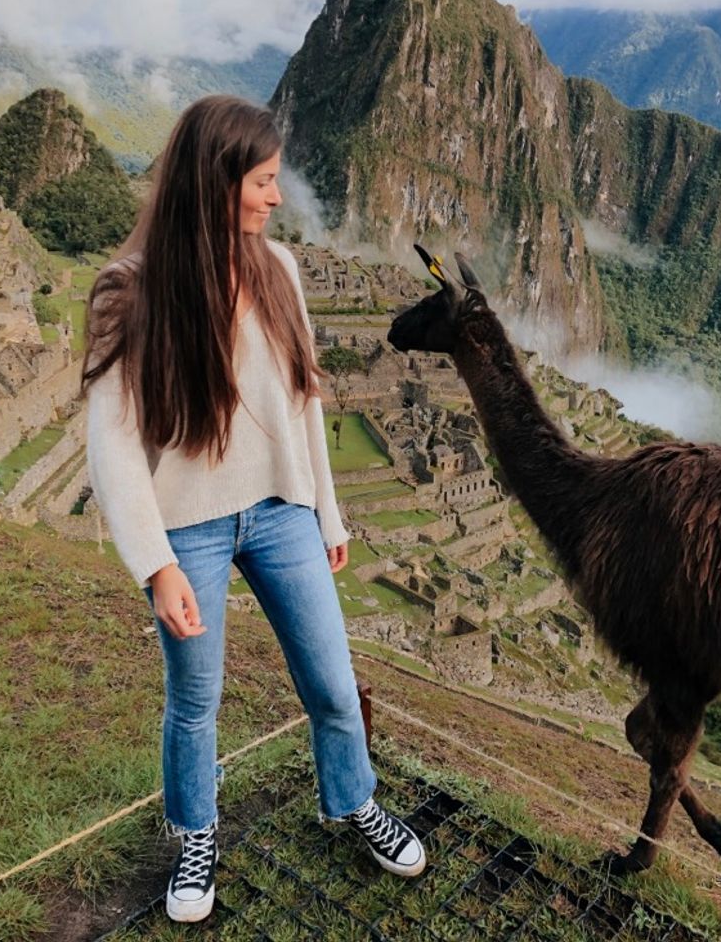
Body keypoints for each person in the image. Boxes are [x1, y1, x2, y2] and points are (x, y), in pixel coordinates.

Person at [82, 95, 426, 924]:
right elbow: (115, 443)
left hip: (280, 512)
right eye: (263, 181)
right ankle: (196, 832)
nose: (276, 198)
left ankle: (350, 800)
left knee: (333, 683)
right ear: (217, 180)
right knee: (195, 700)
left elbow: (305, 402)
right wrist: (157, 566)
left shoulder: (280, 273)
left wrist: (328, 516)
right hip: (187, 525)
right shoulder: (128, 292)